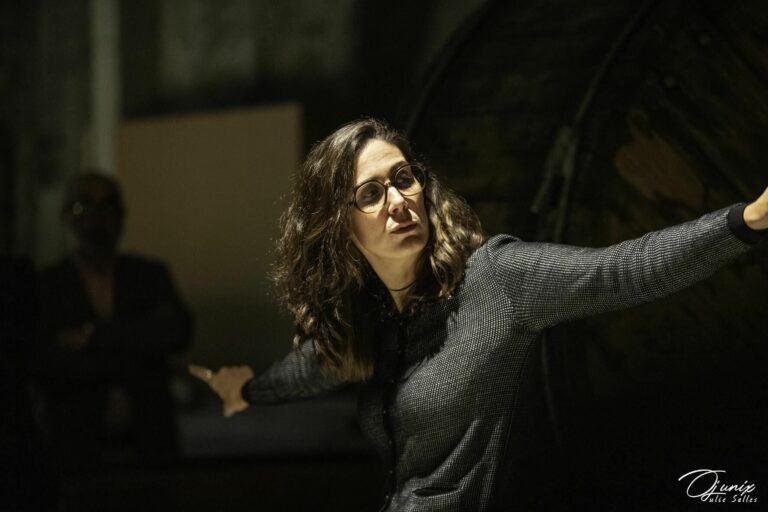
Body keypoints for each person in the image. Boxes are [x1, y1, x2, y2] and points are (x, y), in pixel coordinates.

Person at [190, 118, 768, 511]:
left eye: (403, 179)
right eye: (370, 193)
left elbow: (621, 270)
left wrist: (748, 219)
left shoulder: (496, 280)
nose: (398, 200)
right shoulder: (370, 318)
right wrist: (248, 390)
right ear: (339, 229)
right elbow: (315, 365)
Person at [34, 172, 193, 470]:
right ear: (65, 215)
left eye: (107, 206)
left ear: (121, 216)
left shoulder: (149, 276)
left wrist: (90, 337)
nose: (96, 218)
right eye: (84, 206)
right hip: (74, 449)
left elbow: (177, 333)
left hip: (151, 445)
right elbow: (44, 361)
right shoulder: (46, 286)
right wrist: (135, 343)